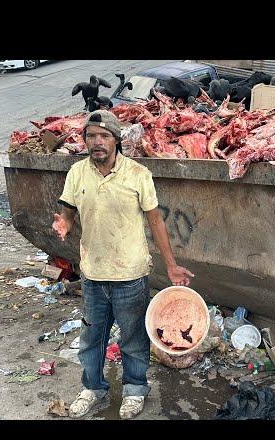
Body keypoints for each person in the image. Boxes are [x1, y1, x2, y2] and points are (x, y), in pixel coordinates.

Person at [52, 110, 194, 419]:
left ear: (116, 140)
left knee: (133, 339)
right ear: (85, 141)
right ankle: (93, 389)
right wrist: (63, 222)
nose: (97, 142)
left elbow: (156, 221)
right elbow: (67, 209)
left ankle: (134, 390)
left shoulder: (138, 174)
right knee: (92, 339)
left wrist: (171, 265)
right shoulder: (77, 172)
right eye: (91, 136)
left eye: (104, 136)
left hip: (130, 275)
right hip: (92, 274)